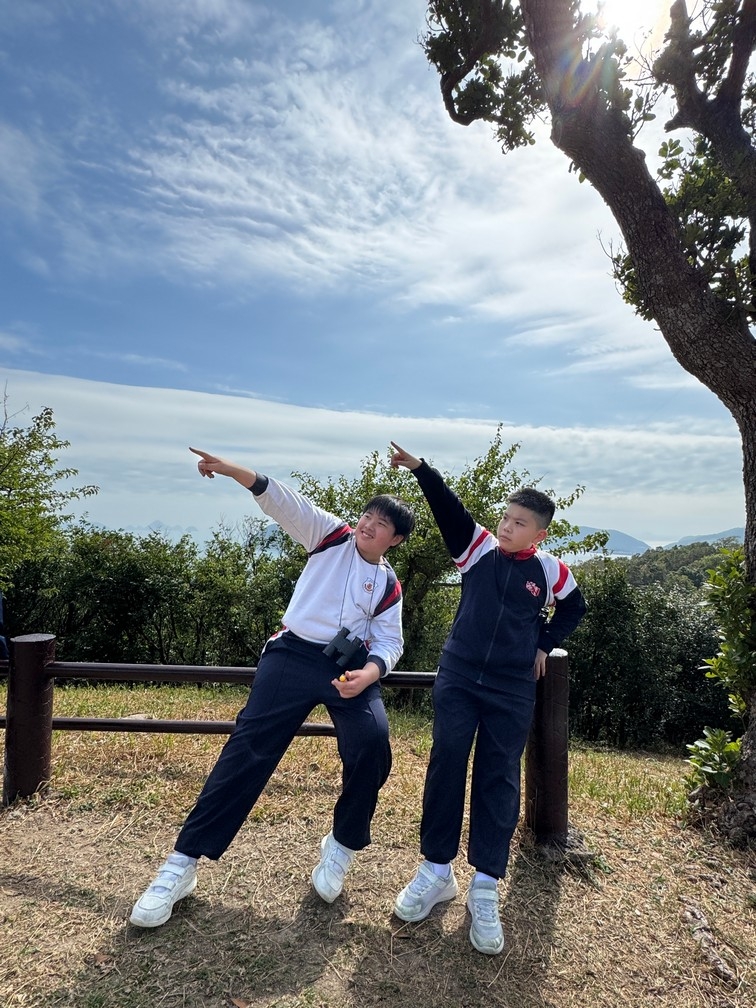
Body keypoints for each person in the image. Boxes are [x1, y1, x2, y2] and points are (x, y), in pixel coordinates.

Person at [130, 447, 415, 928]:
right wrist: (232, 471)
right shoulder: (330, 535)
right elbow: (283, 500)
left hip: (347, 667)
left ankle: (342, 845)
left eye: (381, 523)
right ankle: (182, 864)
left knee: (373, 742)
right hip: (292, 653)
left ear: (396, 540)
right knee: (250, 747)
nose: (368, 525)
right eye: (367, 515)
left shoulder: (388, 584)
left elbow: (390, 640)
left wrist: (371, 672)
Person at [389, 442, 586, 955]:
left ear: (540, 534)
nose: (506, 527)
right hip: (458, 677)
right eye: (505, 517)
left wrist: (544, 642)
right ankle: (436, 871)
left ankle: (485, 885)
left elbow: (574, 608)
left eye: (519, 523)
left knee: (499, 776)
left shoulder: (552, 572)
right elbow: (449, 509)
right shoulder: (476, 548)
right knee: (447, 764)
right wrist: (422, 470)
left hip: (511, 687)